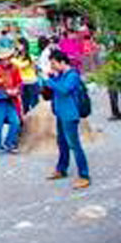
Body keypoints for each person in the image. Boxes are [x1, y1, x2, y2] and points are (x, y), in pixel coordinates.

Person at [43, 51, 90, 189]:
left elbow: (64, 90)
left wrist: (49, 81)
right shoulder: (60, 75)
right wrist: (51, 78)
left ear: (62, 62)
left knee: (74, 145)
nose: (52, 66)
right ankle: (61, 169)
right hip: (60, 114)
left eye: (54, 64)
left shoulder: (73, 75)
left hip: (70, 115)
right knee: (62, 143)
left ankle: (84, 175)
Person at [0, 48, 22, 154]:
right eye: (3, 59)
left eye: (7, 59)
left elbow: (19, 82)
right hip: (0, 100)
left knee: (16, 122)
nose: (5, 61)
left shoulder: (15, 68)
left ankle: (8, 143)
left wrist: (16, 90)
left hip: (11, 99)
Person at [13, 47, 40, 114]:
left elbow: (21, 65)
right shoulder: (18, 58)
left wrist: (12, 59)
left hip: (31, 82)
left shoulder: (30, 57)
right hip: (23, 82)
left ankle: (35, 117)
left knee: (34, 102)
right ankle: (27, 117)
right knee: (24, 101)